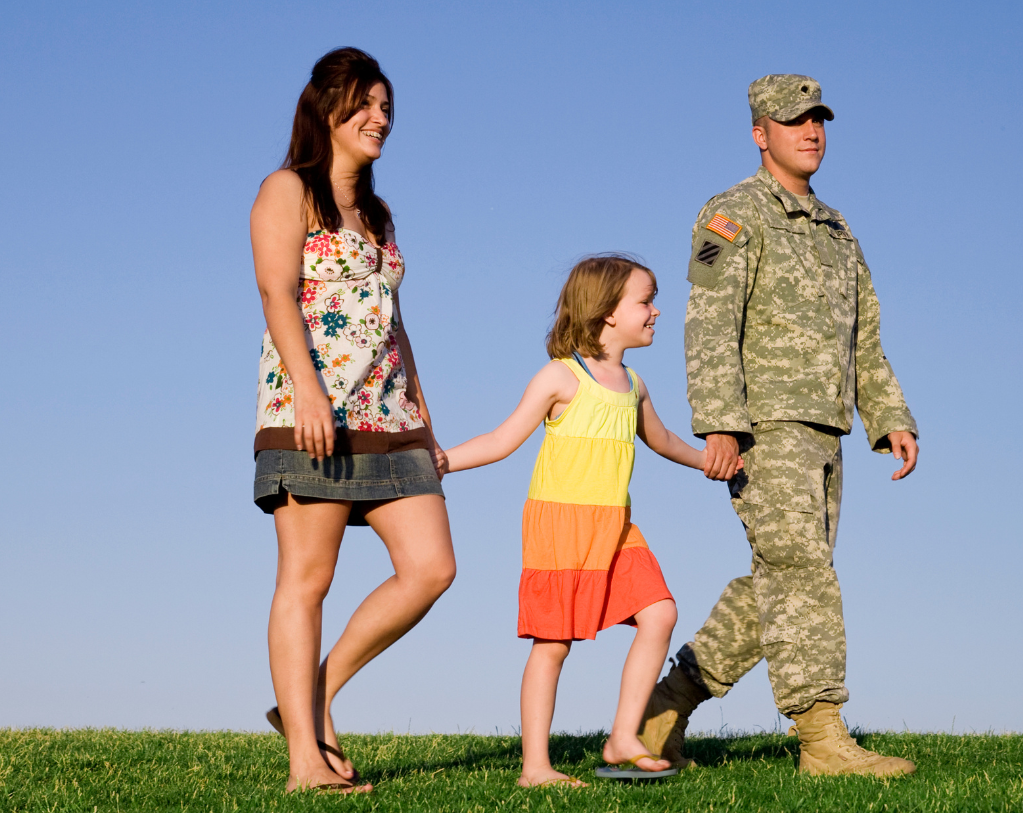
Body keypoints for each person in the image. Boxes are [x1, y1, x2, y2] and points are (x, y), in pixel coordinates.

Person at [638, 74, 921, 777]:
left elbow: (866, 336)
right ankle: (821, 734)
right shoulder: (730, 214)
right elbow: (707, 322)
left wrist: (888, 417)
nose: (811, 131)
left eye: (818, 119)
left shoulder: (836, 228)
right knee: (801, 574)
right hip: (765, 424)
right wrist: (720, 423)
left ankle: (662, 708)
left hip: (826, 427)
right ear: (760, 132)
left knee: (785, 578)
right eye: (793, 120)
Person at [250, 47, 455, 794]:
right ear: (326, 109)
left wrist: (426, 421)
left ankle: (310, 694)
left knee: (432, 567)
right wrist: (307, 391)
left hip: (390, 413)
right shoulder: (285, 191)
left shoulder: (375, 212)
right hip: (312, 410)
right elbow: (277, 295)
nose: (380, 118)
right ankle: (306, 760)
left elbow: (392, 319)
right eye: (366, 104)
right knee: (308, 578)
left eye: (386, 107)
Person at [441, 255, 724, 787]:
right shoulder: (560, 378)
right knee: (553, 645)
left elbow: (660, 442)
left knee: (660, 613)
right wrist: (441, 461)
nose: (656, 311)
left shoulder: (634, 385)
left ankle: (622, 736)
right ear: (607, 312)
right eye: (646, 300)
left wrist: (707, 459)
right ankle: (535, 768)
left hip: (615, 527)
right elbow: (501, 441)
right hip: (561, 526)